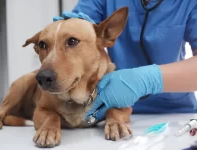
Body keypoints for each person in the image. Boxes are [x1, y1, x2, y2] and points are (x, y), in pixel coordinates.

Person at [61, 0, 197, 120]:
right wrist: (69, 32)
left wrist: (148, 80)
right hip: (114, 108)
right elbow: (78, 31)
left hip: (177, 114)